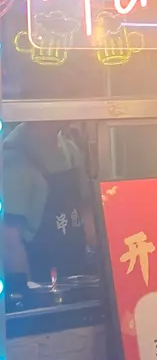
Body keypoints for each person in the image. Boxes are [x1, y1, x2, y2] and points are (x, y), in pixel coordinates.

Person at [2, 121, 95, 292]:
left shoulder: (70, 149)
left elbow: (86, 212)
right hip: (40, 281)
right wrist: (27, 291)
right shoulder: (14, 156)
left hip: (78, 275)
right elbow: (9, 237)